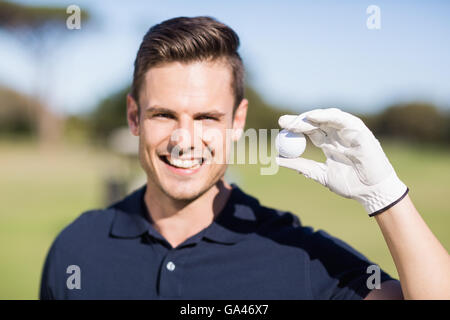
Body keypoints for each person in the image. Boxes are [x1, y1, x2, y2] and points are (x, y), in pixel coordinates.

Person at [40, 16, 449, 300]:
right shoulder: (76, 247)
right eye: (164, 114)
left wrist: (387, 198)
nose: (184, 139)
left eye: (207, 117)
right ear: (134, 117)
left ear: (238, 122)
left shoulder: (299, 255)